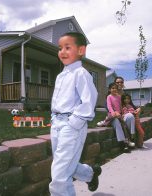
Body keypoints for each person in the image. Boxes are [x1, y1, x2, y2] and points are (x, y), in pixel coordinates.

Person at [49, 32, 102, 196]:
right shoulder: (60, 76)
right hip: (56, 123)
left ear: (81, 50)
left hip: (71, 126)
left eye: (67, 47)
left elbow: (89, 101)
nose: (62, 52)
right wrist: (53, 118)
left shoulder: (81, 73)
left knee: (60, 175)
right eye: (60, 48)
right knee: (63, 164)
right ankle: (90, 173)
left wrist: (73, 122)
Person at [103, 82, 135, 152]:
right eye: (113, 88)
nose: (114, 89)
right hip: (112, 115)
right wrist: (114, 113)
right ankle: (123, 144)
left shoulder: (119, 97)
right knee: (117, 123)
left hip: (119, 115)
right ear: (109, 89)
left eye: (116, 88)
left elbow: (120, 107)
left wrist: (122, 113)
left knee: (123, 125)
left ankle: (128, 141)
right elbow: (109, 106)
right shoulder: (109, 97)